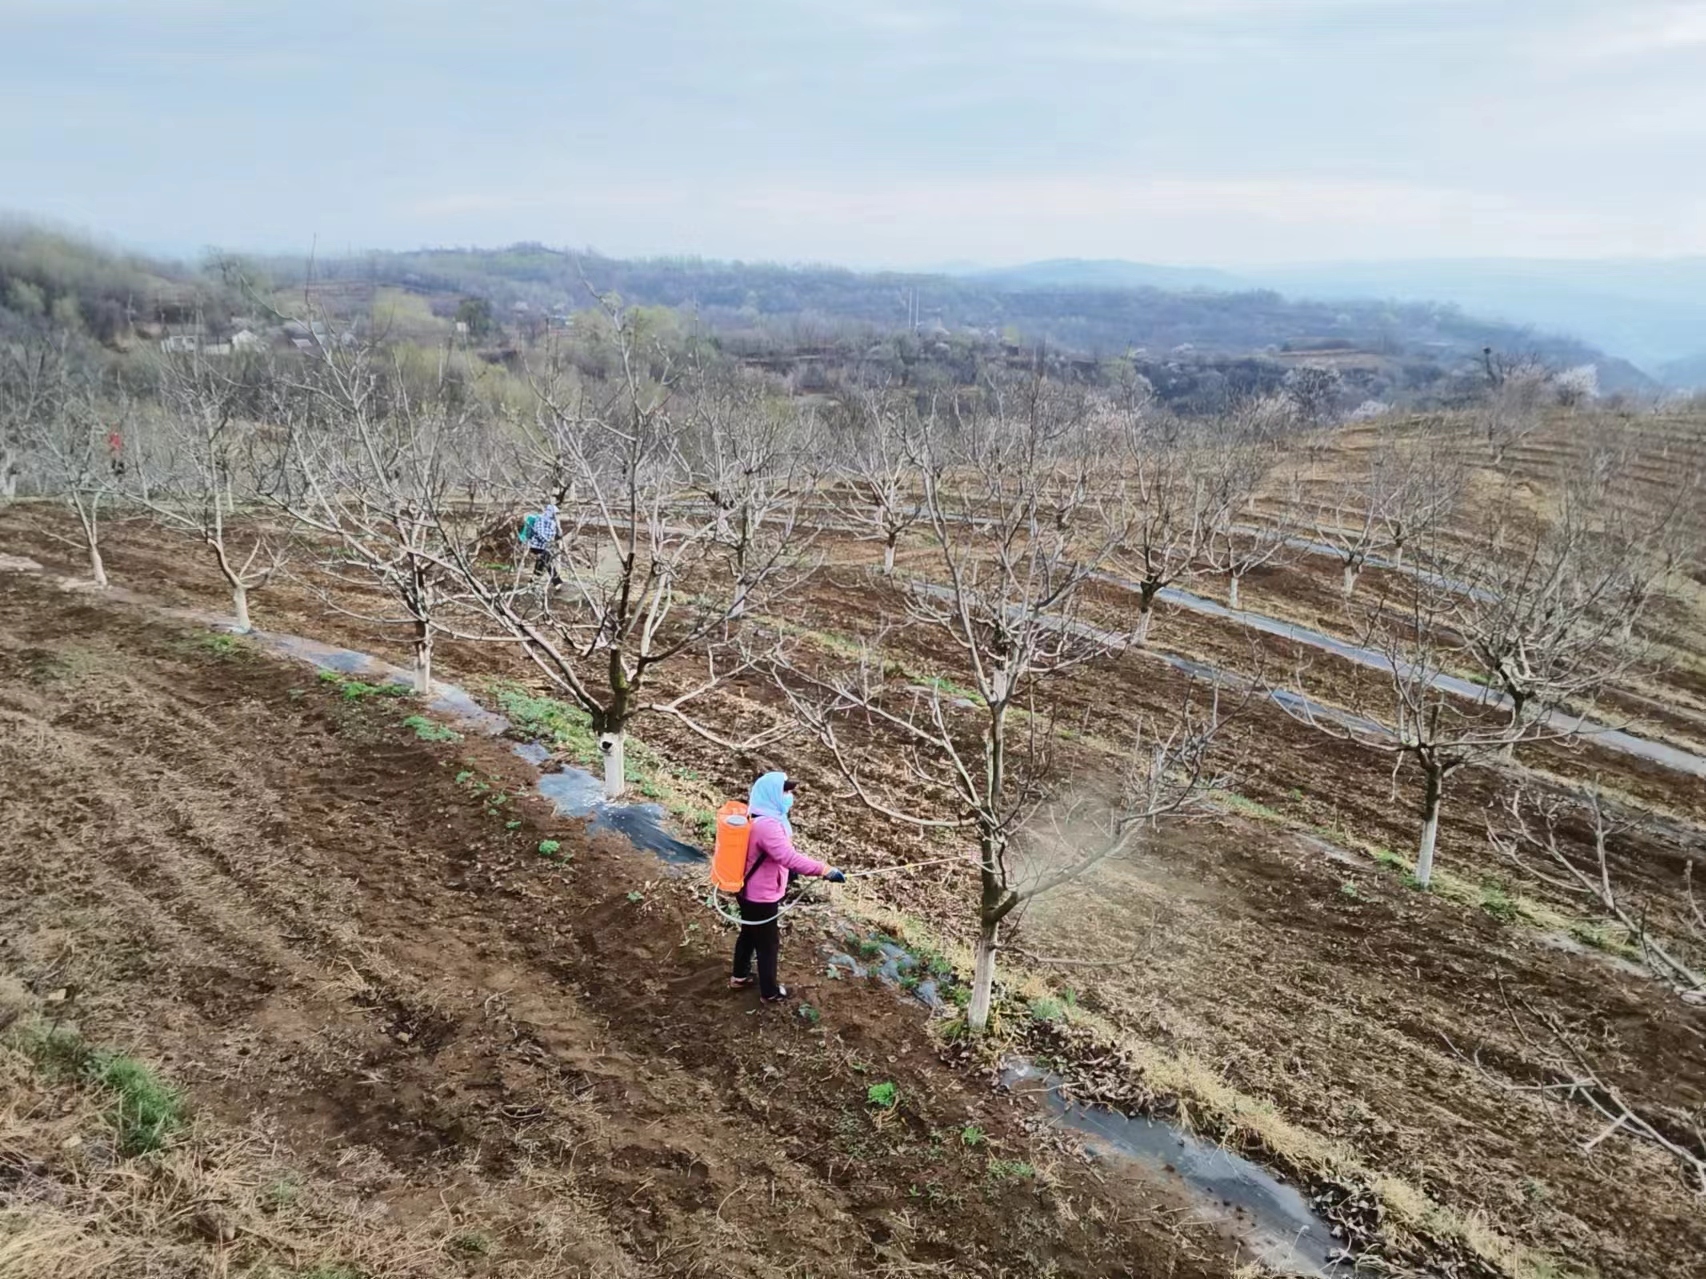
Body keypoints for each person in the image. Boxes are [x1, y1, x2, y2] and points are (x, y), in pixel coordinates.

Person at [731, 771, 844, 1002]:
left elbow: (771, 856)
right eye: (785, 791)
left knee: (749, 935)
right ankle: (770, 993)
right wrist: (825, 869)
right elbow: (788, 857)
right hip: (760, 897)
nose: (789, 795)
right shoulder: (768, 826)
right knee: (768, 944)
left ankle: (739, 977)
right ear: (772, 794)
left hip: (748, 890)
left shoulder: (756, 814)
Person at [521, 502, 562, 588]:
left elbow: (553, 534)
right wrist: (548, 541)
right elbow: (539, 532)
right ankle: (556, 581)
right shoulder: (540, 520)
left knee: (543, 562)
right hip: (537, 545)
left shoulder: (553, 522)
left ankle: (533, 581)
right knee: (545, 561)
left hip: (546, 546)